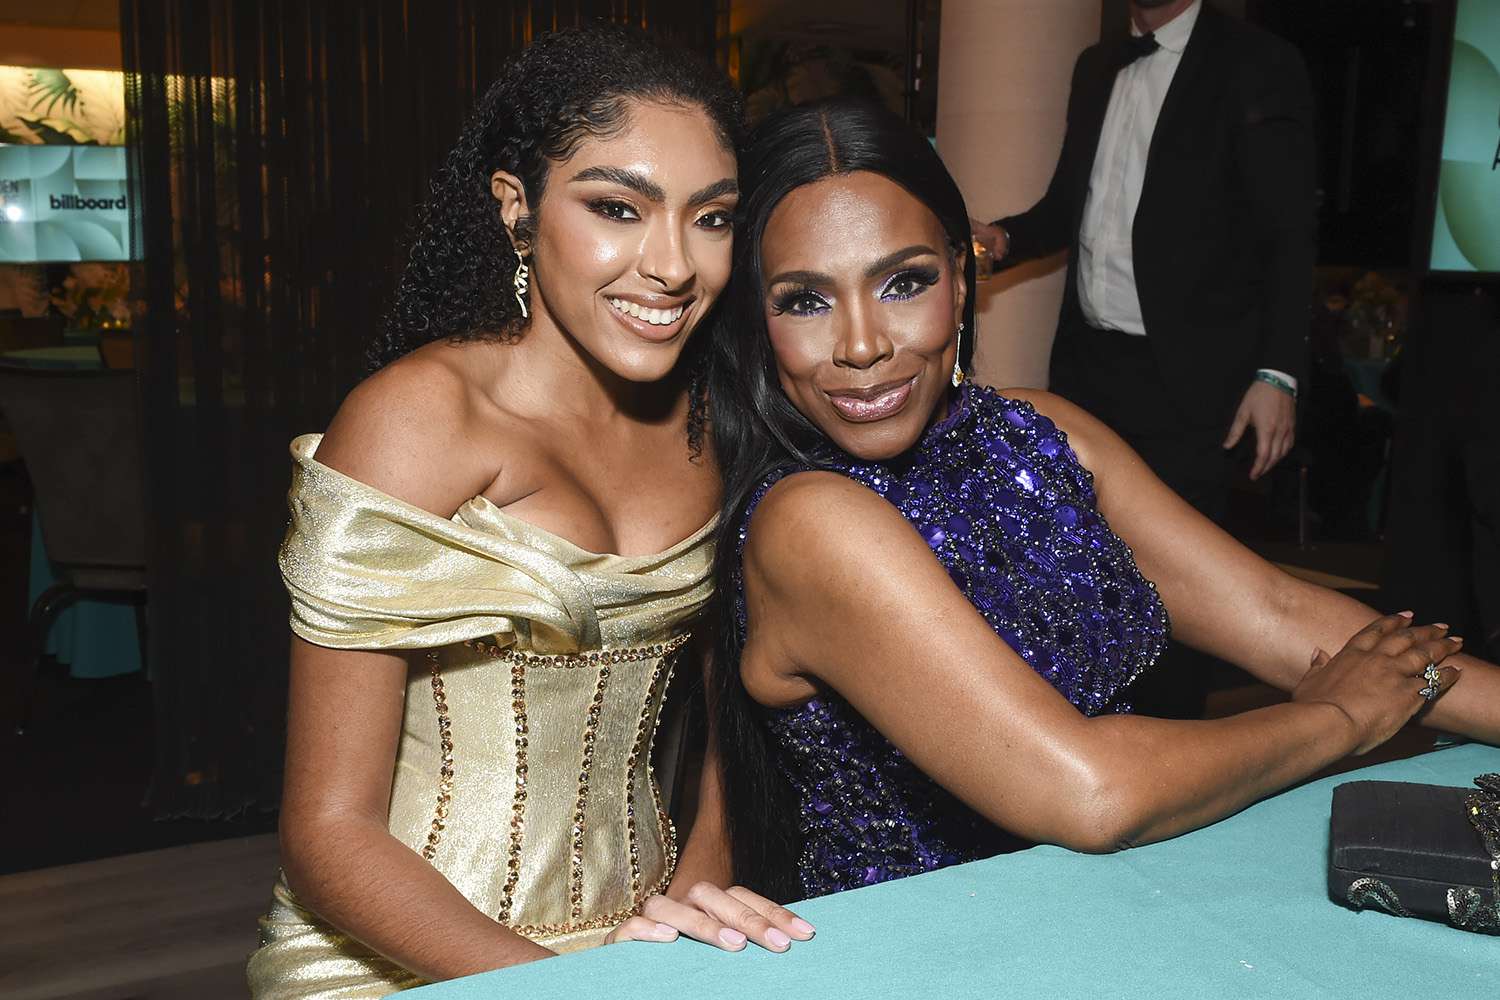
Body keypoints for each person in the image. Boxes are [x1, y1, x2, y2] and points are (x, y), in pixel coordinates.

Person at [705, 98, 1500, 902]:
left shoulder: (1045, 432)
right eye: (804, 300)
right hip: (941, 952)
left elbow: (1279, 614)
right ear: (754, 319)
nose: (863, 344)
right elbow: (1091, 793)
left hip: (1131, 897)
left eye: (904, 282)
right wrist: (1340, 721)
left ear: (960, 274)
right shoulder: (808, 523)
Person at [246, 25, 810, 999]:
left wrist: (686, 920)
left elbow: (727, 735)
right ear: (517, 208)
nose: (673, 265)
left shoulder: (714, 417)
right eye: (617, 208)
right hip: (402, 953)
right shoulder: (418, 421)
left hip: (645, 936)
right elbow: (325, 834)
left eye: (711, 218)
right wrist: (569, 992)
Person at [972, 0, 1317, 718]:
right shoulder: (1095, 66)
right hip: (1092, 371)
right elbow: (1070, 207)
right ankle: (1087, 738)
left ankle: (1175, 763)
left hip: (1194, 380)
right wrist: (1001, 237)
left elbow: (1290, 234)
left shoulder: (1258, 62)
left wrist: (1277, 373)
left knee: (1181, 591)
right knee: (1080, 569)